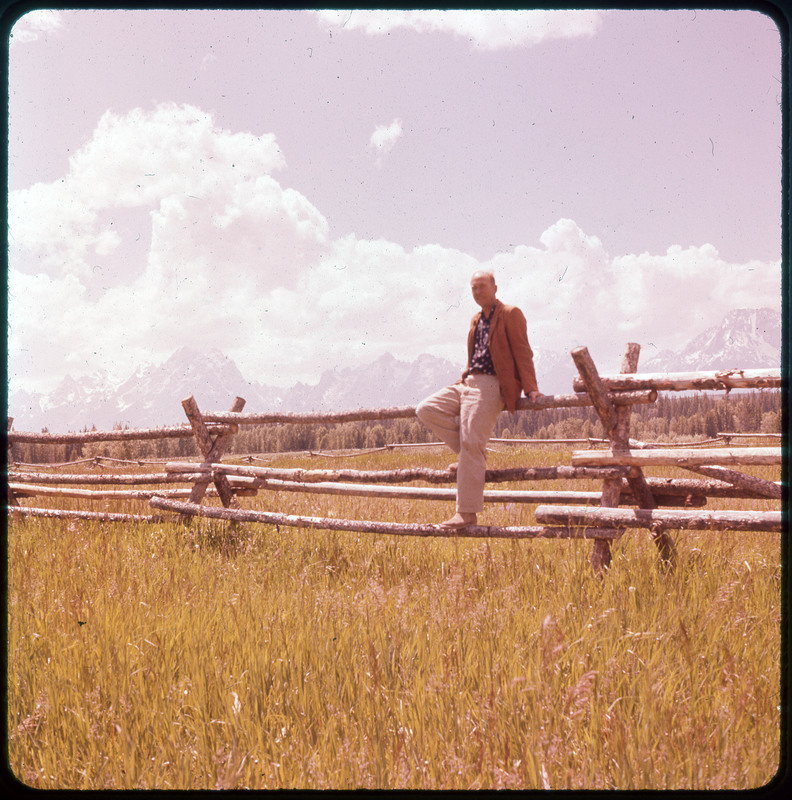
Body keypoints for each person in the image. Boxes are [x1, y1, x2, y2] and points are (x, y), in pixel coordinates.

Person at [416, 270, 541, 529]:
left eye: (482, 287)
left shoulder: (510, 313)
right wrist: (463, 379)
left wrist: (531, 388)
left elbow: (522, 351)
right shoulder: (476, 319)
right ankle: (469, 460)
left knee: (472, 442)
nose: (478, 292)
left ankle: (467, 513)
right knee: (426, 409)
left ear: (495, 287)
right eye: (474, 288)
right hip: (469, 381)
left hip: (492, 383)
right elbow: (474, 356)